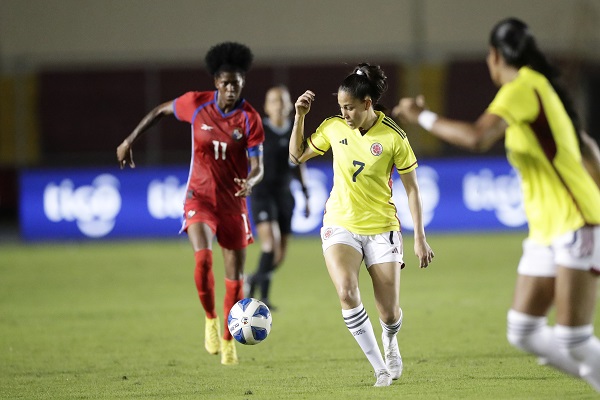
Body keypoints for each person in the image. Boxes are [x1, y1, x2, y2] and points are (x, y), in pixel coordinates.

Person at [393, 17, 600, 393]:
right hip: (548, 230)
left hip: (574, 222)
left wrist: (419, 115)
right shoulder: (540, 89)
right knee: (523, 330)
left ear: (494, 56)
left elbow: (476, 137)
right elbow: (587, 147)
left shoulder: (522, 87)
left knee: (574, 338)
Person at [116, 42, 265, 366]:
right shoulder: (195, 104)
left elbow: (258, 164)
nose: (230, 88)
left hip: (233, 205)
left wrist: (250, 182)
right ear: (215, 82)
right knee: (202, 261)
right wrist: (129, 140)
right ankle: (211, 320)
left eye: (236, 82)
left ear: (243, 82)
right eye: (224, 82)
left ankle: (228, 339)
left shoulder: (250, 118)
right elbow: (158, 111)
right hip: (199, 199)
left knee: (235, 279)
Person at [289, 63, 435, 387]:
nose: (344, 114)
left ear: (367, 104)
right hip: (340, 223)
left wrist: (420, 238)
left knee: (389, 313)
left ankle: (391, 341)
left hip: (382, 227)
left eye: (350, 108)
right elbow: (296, 155)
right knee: (346, 290)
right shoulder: (332, 128)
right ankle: (380, 368)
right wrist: (299, 116)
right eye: (341, 107)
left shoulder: (394, 137)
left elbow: (412, 189)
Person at [246, 85, 310, 309]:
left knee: (280, 255)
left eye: (282, 100)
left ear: (289, 104)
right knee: (270, 244)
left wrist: (305, 193)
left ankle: (252, 280)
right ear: (266, 106)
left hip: (284, 196)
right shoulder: (259, 130)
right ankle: (262, 297)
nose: (279, 105)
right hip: (262, 194)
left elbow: (298, 163)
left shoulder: (295, 130)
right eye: (273, 101)